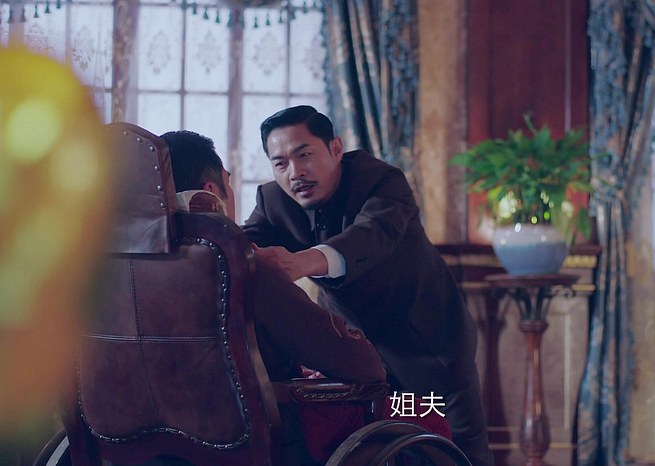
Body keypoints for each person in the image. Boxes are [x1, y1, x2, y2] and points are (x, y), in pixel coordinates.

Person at [242, 105, 494, 466]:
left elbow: (371, 236)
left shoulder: (382, 181)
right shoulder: (273, 201)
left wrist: (300, 263)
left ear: (335, 149)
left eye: (304, 155)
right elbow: (242, 247)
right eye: (280, 163)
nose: (295, 172)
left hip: (427, 345)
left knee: (454, 453)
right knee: (374, 452)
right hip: (357, 355)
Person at [160, 130, 385, 386]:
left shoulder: (125, 275)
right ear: (210, 193)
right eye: (228, 183)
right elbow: (364, 365)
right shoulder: (246, 272)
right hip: (270, 411)